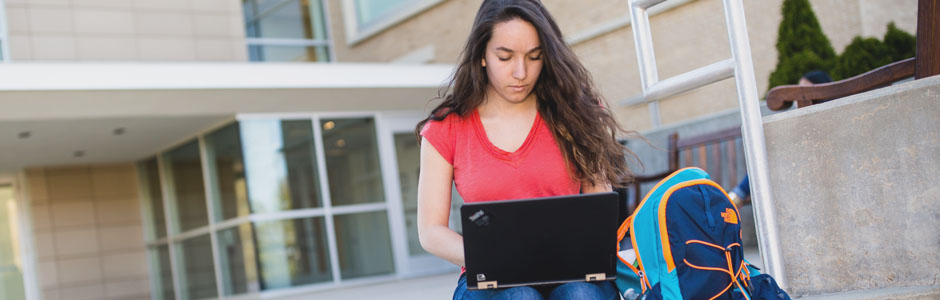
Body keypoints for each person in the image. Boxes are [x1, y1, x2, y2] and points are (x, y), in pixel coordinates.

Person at [414, 1, 636, 299]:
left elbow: (598, 208)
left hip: (573, 269)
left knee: (581, 294)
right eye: (505, 57)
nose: (521, 72)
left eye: (534, 57)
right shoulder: (446, 127)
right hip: (490, 275)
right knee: (520, 295)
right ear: (481, 55)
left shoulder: (574, 114)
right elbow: (431, 231)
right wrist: (495, 259)